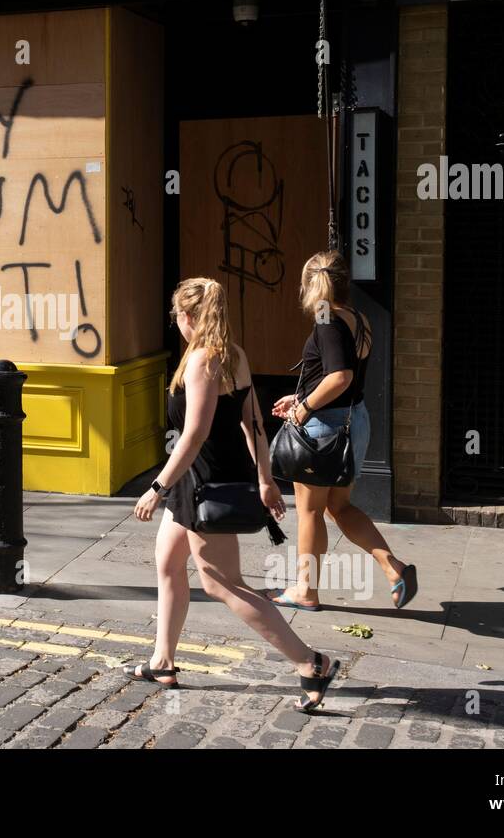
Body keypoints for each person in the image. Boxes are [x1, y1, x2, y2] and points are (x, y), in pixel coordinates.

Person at [126, 276, 339, 712]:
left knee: (222, 584)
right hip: (197, 481)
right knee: (168, 564)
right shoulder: (233, 355)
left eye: (176, 316)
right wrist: (264, 479)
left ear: (186, 317)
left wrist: (155, 487)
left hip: (205, 483)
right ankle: (162, 661)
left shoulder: (204, 359)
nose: (176, 323)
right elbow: (256, 423)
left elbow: (194, 434)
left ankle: (311, 662)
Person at [267, 251, 418, 612]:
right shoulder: (359, 317)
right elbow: (339, 375)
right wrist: (301, 394)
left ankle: (306, 590)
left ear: (309, 283)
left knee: (310, 512)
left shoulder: (325, 317)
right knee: (339, 505)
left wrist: (303, 409)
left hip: (324, 429)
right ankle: (393, 568)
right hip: (353, 421)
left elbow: (340, 376)